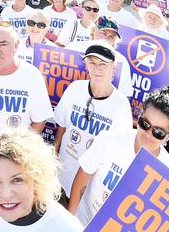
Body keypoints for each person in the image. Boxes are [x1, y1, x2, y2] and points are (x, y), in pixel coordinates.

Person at [68, 87, 169, 225]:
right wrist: (70, 219)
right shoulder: (110, 139)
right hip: (84, 221)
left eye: (158, 132)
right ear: (139, 116)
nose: (147, 134)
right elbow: (83, 176)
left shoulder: (167, 167)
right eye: (145, 123)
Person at [54, 42, 132, 200]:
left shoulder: (121, 104)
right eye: (92, 63)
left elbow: (119, 149)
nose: (97, 69)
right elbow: (62, 125)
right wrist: (55, 149)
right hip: (63, 173)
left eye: (103, 64)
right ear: (86, 65)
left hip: (90, 186)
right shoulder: (75, 88)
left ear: (113, 68)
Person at [65, 16, 134, 97]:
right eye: (103, 33)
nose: (107, 38)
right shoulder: (74, 47)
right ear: (93, 31)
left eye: (112, 36)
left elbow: (125, 94)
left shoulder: (121, 60)